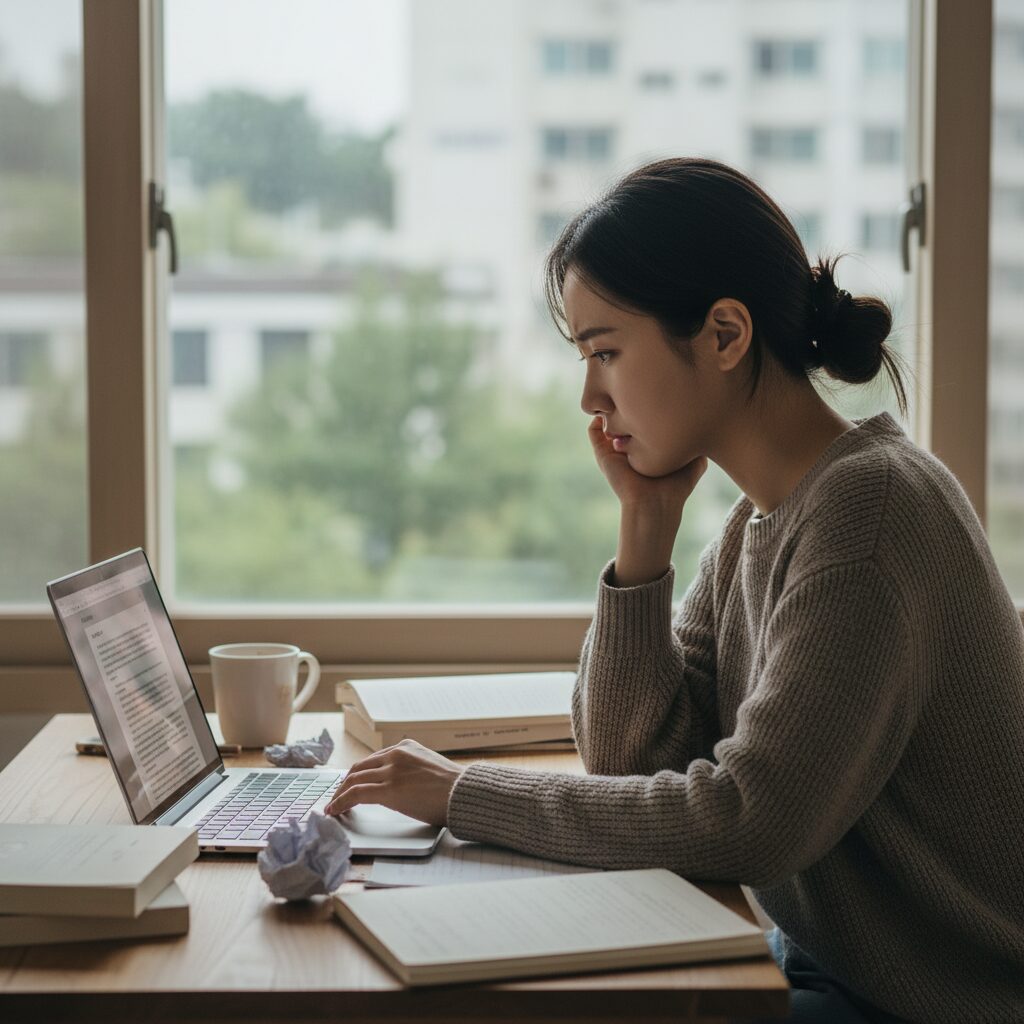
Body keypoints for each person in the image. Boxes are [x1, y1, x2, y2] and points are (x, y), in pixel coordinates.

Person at [325, 158, 1024, 1024]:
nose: (590, 396)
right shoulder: (762, 518)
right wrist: (646, 525)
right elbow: (630, 757)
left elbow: (748, 820)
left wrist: (464, 794)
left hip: (934, 1006)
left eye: (606, 352)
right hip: (827, 964)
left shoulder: (868, 515)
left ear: (725, 335)